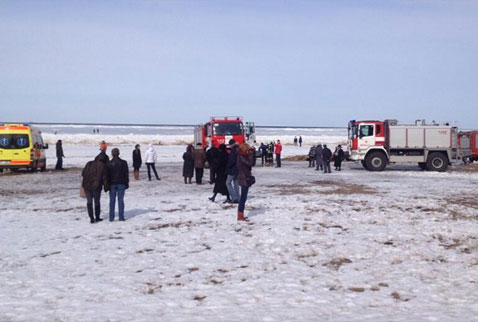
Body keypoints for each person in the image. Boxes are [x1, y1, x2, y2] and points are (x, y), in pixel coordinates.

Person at [81, 153, 109, 223]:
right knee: (97, 202)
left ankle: (91, 218)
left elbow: (83, 173)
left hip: (86, 185)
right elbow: (105, 178)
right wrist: (106, 187)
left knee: (89, 202)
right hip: (96, 186)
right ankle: (97, 217)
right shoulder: (103, 166)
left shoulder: (89, 163)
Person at [107, 148, 129, 221]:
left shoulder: (109, 163)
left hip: (112, 184)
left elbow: (107, 176)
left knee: (112, 201)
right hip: (121, 183)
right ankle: (121, 217)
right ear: (119, 153)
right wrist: (127, 183)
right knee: (120, 200)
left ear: (112, 154)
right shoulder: (123, 162)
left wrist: (107, 184)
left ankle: (111, 217)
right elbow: (126, 174)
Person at [237, 143, 254, 221]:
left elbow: (251, 164)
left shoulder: (242, 155)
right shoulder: (241, 156)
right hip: (244, 178)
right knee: (243, 197)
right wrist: (250, 154)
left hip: (244, 177)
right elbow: (250, 163)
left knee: (244, 197)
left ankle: (241, 214)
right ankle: (240, 215)